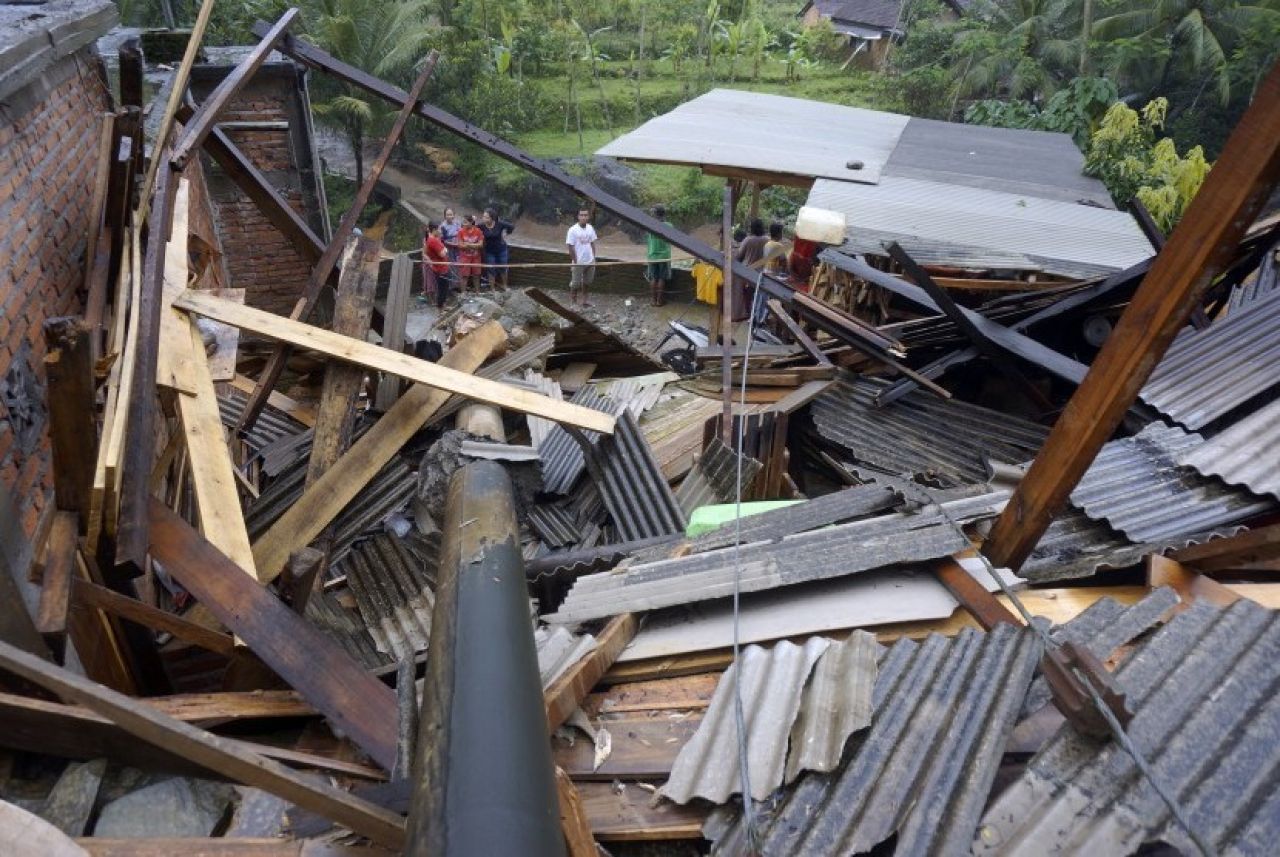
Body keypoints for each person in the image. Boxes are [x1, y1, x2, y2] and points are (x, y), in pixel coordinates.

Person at [732, 218, 768, 322]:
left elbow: (739, 256)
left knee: (744, 295)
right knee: (755, 296)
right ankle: (755, 316)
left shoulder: (748, 240)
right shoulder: (767, 240)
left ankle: (743, 314)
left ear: (752, 228)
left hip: (747, 272)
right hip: (761, 274)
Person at [565, 207, 598, 306]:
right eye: (581, 215)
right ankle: (573, 303)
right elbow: (570, 246)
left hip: (590, 261)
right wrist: (575, 261)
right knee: (575, 284)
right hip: (578, 262)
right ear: (578, 216)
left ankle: (585, 301)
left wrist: (593, 258)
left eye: (585, 215)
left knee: (587, 282)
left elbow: (592, 243)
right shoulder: (573, 230)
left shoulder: (590, 228)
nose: (583, 217)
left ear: (588, 217)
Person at [644, 204, 673, 307]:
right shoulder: (669, 225)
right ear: (663, 214)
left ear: (655, 214)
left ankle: (653, 300)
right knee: (661, 278)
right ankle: (659, 301)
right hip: (664, 256)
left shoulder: (650, 225)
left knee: (653, 278)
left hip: (652, 256)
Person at [479, 207, 515, 290]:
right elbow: (471, 227)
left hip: (501, 250)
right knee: (491, 269)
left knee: (503, 267)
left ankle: (505, 286)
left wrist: (506, 234)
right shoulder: (481, 226)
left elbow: (511, 226)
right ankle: (492, 289)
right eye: (484, 217)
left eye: (486, 217)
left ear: (492, 218)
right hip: (489, 251)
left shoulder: (499, 224)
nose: (484, 219)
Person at [423, 220, 454, 308]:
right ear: (434, 230)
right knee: (442, 289)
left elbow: (425, 253)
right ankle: (440, 308)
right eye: (439, 229)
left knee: (443, 288)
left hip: (439, 267)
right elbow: (442, 254)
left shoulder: (432, 239)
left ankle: (442, 306)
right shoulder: (433, 240)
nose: (440, 231)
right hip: (441, 268)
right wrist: (445, 249)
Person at [456, 214, 484, 293]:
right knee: (464, 275)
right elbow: (460, 245)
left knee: (476, 275)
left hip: (476, 257)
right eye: (463, 222)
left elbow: (481, 245)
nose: (464, 224)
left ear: (471, 222)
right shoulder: (460, 231)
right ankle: (463, 293)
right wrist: (474, 245)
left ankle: (477, 292)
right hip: (464, 257)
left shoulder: (478, 231)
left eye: (466, 222)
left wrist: (468, 244)